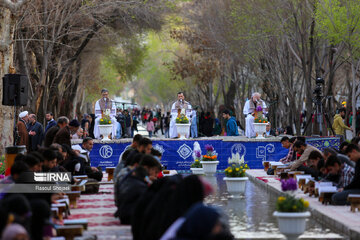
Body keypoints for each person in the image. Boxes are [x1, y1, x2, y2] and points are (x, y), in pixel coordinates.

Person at [116, 154, 162, 224]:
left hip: (124, 213)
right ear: (146, 168)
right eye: (155, 171)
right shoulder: (139, 183)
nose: (156, 175)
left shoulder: (133, 174)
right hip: (129, 216)